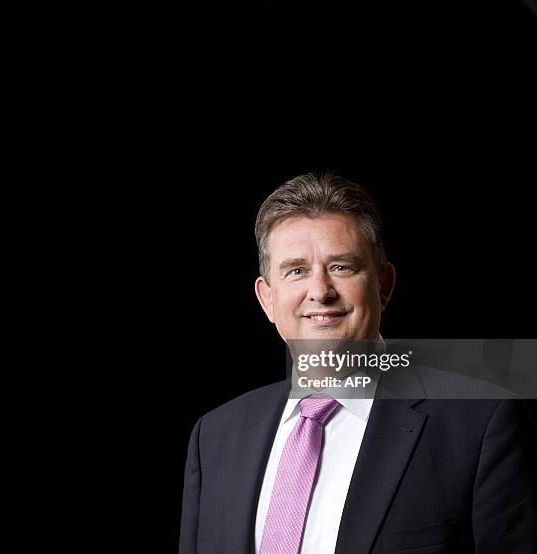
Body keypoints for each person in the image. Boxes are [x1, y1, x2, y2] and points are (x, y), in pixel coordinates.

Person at [179, 174, 537, 553]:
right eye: (296, 270)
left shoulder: (481, 424)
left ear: (383, 286)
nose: (320, 292)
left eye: (342, 267)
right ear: (267, 298)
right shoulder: (214, 436)